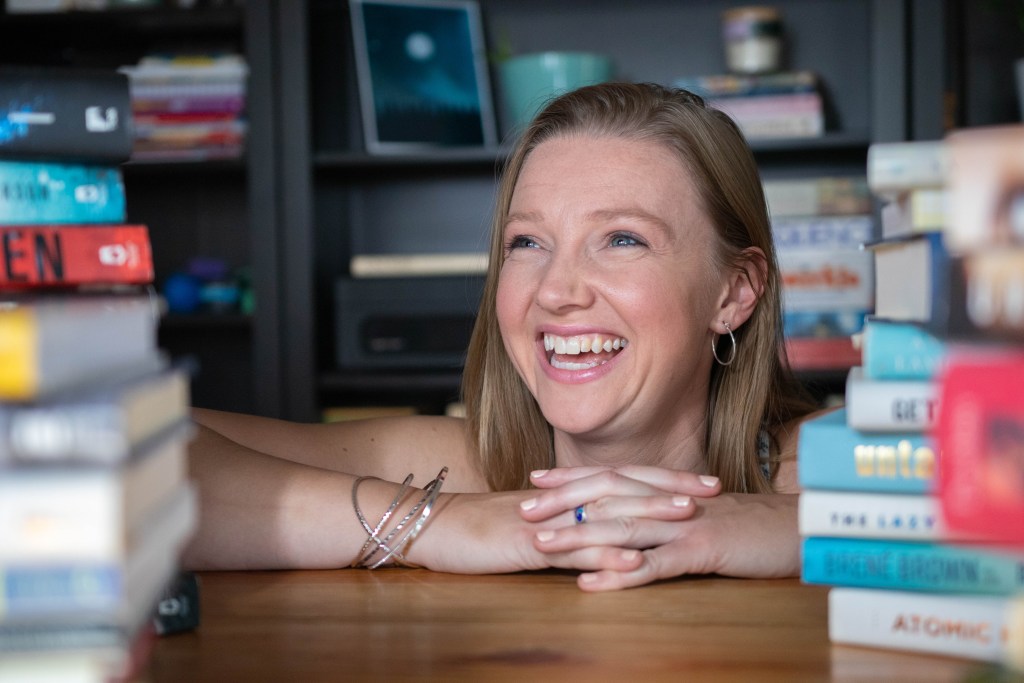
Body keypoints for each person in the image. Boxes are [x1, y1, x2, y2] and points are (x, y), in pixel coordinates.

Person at [184, 82, 823, 591]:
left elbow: (927, 519)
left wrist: (797, 526)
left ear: (734, 292)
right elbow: (132, 459)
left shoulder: (820, 461)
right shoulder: (455, 470)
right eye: (527, 243)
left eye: (622, 239)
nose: (555, 290)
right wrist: (442, 523)